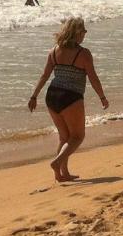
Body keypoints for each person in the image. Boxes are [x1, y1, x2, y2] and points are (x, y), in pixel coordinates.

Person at [28, 18, 109, 182]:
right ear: (76, 33)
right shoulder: (83, 53)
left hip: (52, 96)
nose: (85, 34)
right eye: (83, 31)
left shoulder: (53, 51)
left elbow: (44, 76)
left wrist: (34, 96)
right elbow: (93, 78)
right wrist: (102, 97)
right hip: (70, 96)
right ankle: (57, 163)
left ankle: (61, 174)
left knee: (64, 137)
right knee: (77, 137)